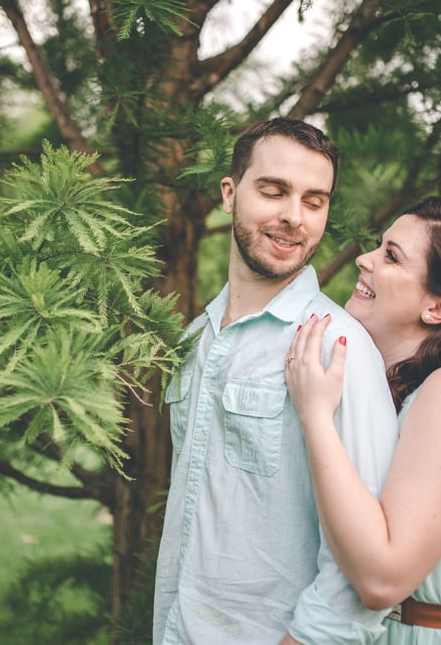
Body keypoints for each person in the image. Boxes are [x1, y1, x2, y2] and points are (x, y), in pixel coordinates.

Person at [153, 118, 400, 645]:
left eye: (315, 201)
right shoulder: (196, 338)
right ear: (229, 193)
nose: (294, 217)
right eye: (274, 191)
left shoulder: (339, 346)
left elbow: (363, 562)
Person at [284, 195, 441, 643]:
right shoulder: (389, 382)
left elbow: (384, 580)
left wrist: (316, 417)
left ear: (438, 307)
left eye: (391, 256)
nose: (364, 259)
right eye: (379, 246)